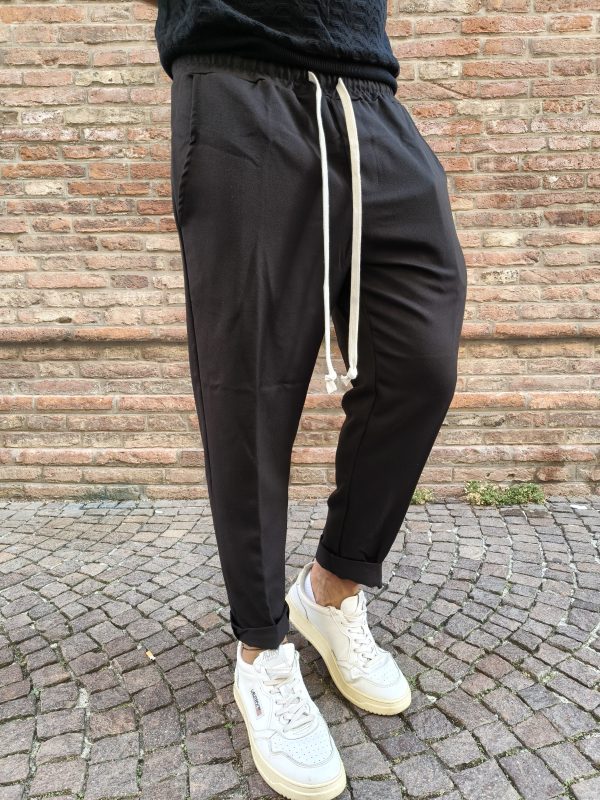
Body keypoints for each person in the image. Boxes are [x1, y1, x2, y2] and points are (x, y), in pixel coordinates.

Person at [145, 2, 468, 798]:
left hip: (370, 96)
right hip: (239, 83)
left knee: (421, 364)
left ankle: (331, 589)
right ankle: (262, 650)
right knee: (250, 388)